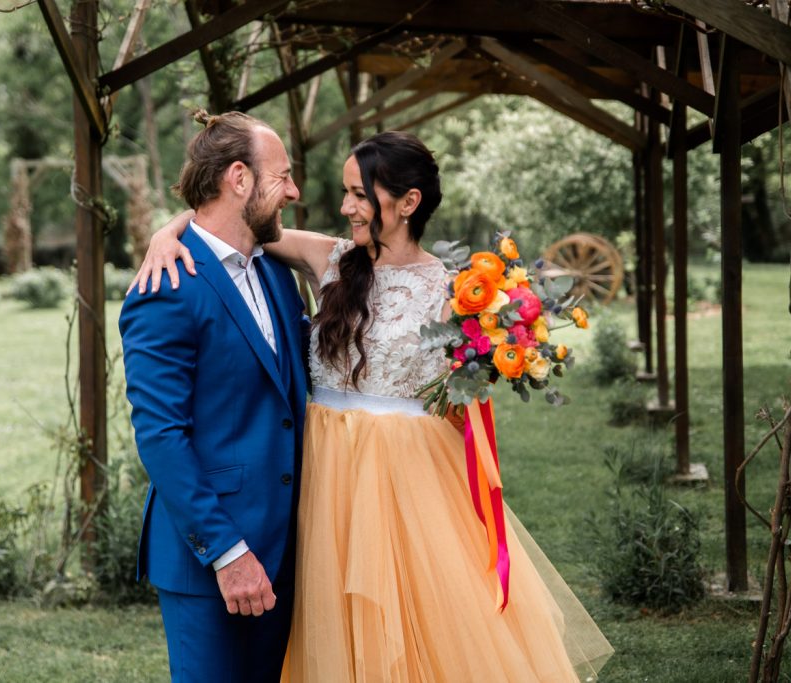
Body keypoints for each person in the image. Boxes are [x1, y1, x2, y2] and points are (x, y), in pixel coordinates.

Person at [136, 130, 613, 681]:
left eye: (361, 194)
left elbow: (477, 382)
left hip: (411, 486)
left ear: (408, 202)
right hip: (326, 486)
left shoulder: (460, 289)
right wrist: (165, 232)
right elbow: (227, 225)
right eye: (346, 192)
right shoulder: (328, 258)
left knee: (424, 636)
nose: (346, 207)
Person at [119, 110, 309, 683]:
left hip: (288, 547)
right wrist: (228, 554)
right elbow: (160, 436)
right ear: (239, 178)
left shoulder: (276, 271)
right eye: (283, 177)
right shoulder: (166, 287)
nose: (295, 192)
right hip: (212, 562)